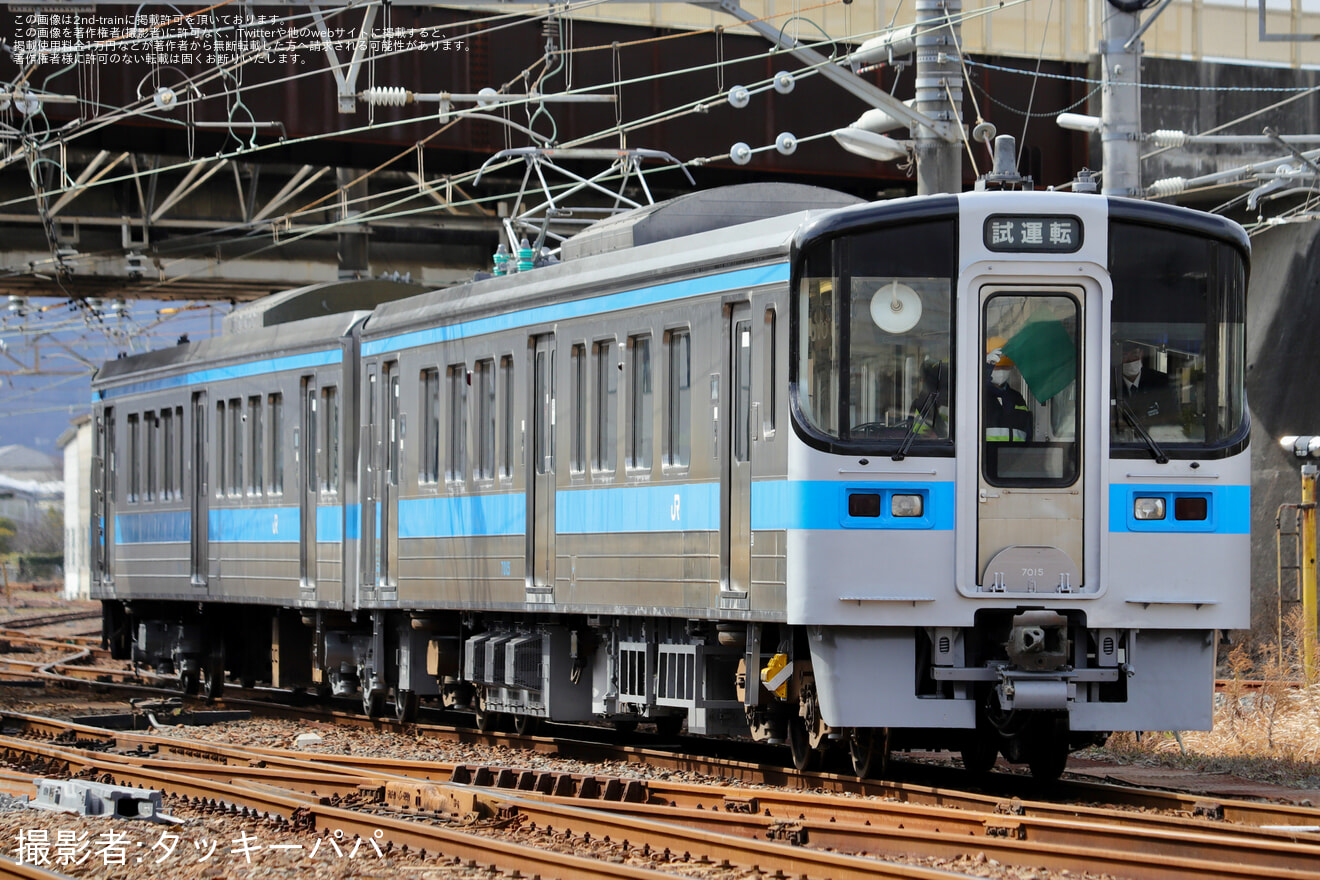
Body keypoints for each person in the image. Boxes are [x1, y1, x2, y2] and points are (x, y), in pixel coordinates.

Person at [984, 339, 1032, 442]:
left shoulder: (1017, 398)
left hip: (1014, 456)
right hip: (984, 456)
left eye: (1005, 367)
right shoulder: (980, 395)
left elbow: (1027, 433)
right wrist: (984, 370)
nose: (1001, 371)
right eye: (996, 367)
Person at [1117, 345, 1174, 423]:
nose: (1131, 361)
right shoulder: (1108, 383)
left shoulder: (1159, 382)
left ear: (1141, 354)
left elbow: (1171, 417)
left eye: (1134, 355)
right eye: (1125, 355)